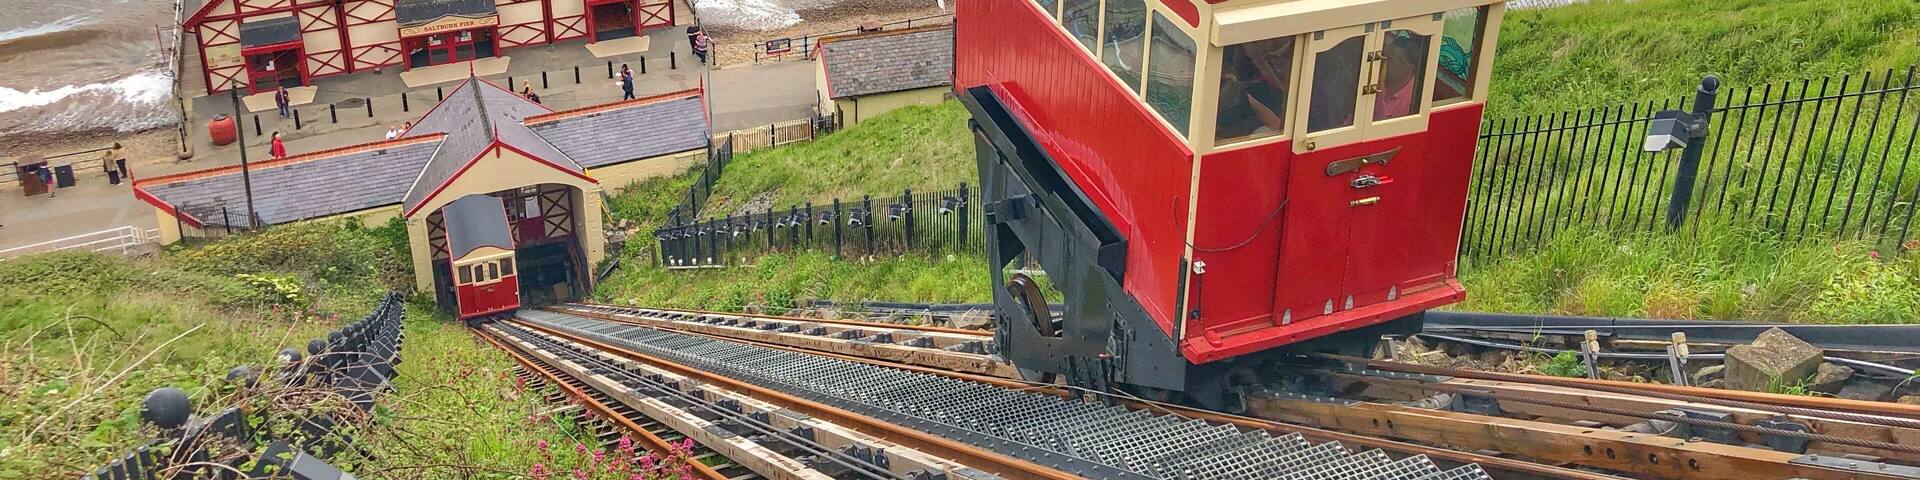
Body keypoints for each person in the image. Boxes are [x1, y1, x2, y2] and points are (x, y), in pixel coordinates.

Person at [1374, 33, 1426, 120]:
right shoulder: (1376, 77)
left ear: (1407, 67)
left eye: (1389, 59)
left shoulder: (1416, 97)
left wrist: (1378, 92)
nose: (1382, 63)